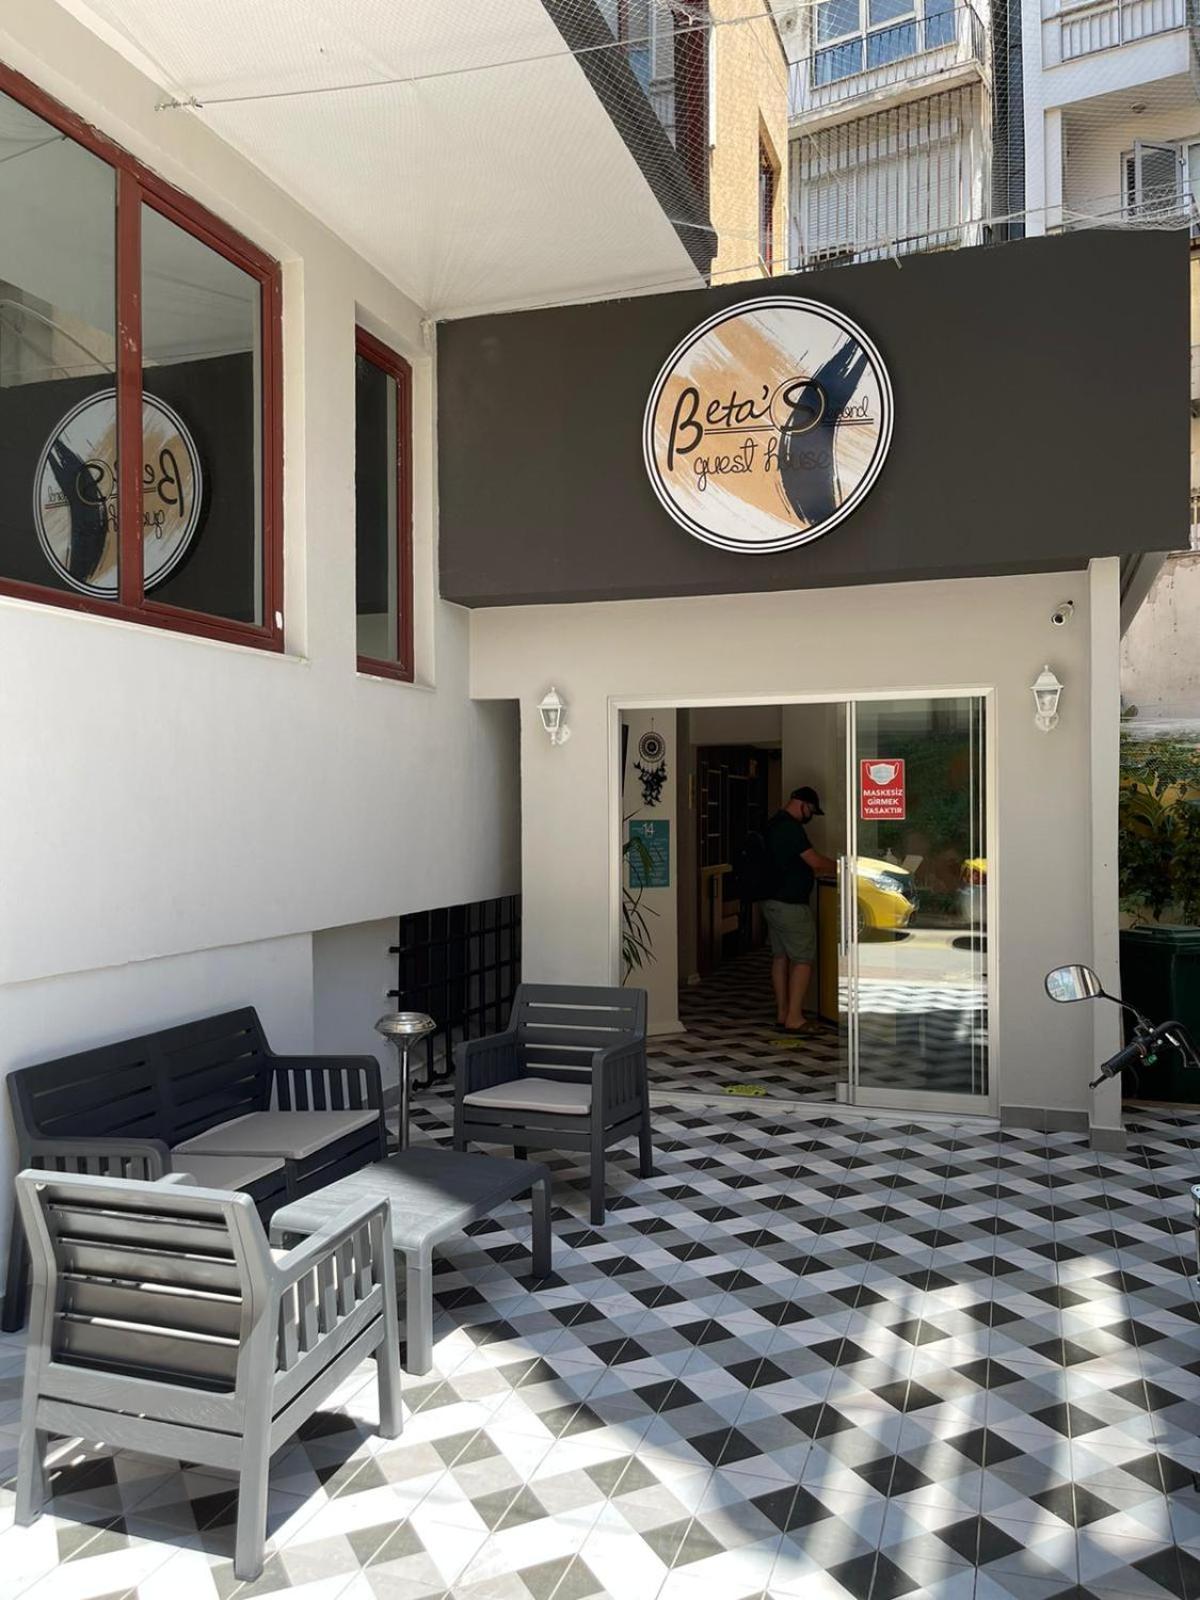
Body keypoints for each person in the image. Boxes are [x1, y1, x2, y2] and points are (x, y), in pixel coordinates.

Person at [761, 786, 836, 1033]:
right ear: (802, 803)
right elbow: (814, 861)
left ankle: (783, 1013)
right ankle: (795, 1017)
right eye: (811, 810)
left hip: (771, 901)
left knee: (780, 957)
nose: (810, 815)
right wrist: (842, 867)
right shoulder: (791, 828)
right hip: (791, 904)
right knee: (802, 959)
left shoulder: (772, 824)